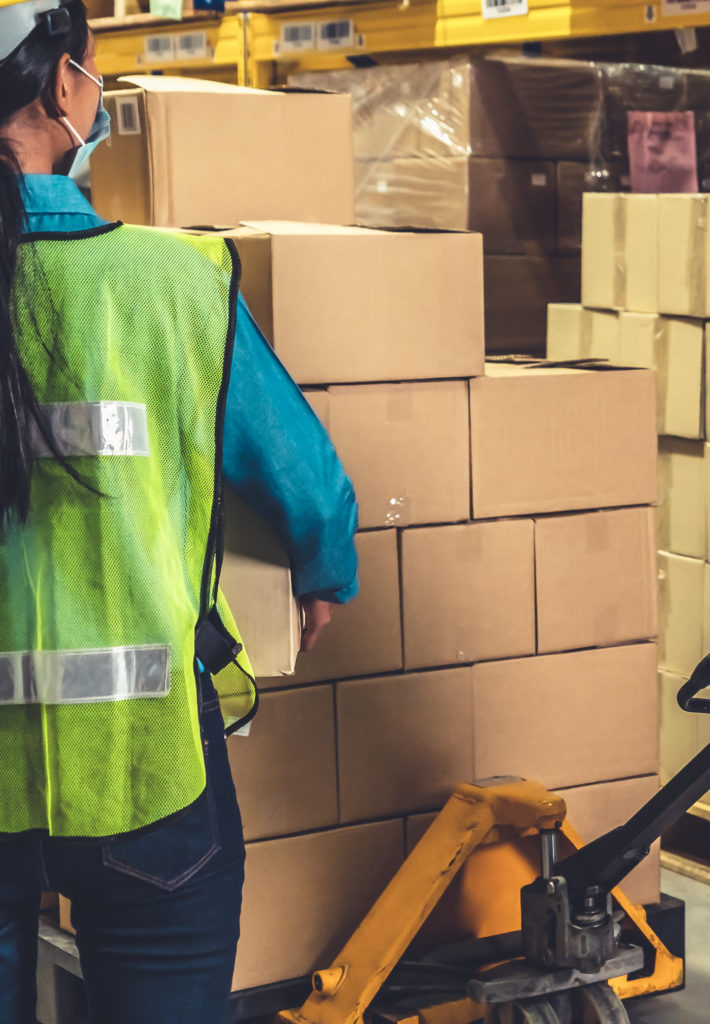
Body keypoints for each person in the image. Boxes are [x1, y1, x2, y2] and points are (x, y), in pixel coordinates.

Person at [0, 2, 359, 1020]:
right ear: (64, 87)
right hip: (144, 761)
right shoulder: (175, 282)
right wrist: (321, 575)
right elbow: (309, 485)